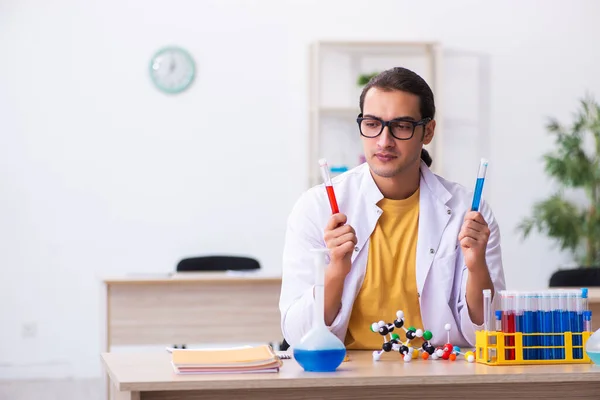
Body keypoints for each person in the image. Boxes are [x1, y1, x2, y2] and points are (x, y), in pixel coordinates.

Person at [279, 66, 506, 350]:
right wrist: (337, 270)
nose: (384, 141)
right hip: (347, 378)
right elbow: (297, 334)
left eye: (401, 126)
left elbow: (490, 333)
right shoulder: (316, 207)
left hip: (439, 374)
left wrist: (477, 268)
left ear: (428, 132)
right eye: (373, 124)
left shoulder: (468, 212)